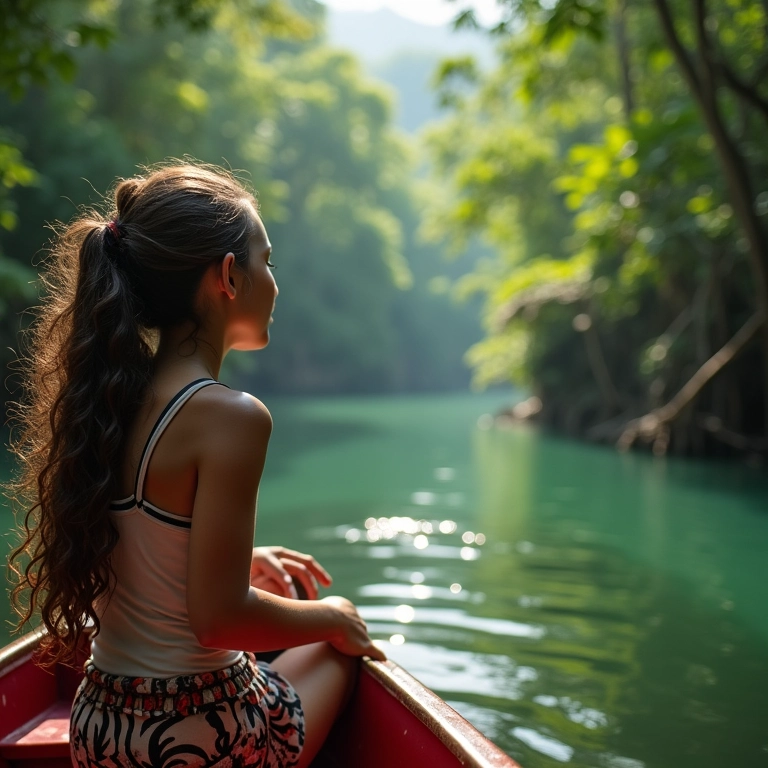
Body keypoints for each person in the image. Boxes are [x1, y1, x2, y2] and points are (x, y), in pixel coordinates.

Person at [6, 161, 386, 768]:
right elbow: (220, 619)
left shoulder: (105, 404)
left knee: (290, 610)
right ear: (228, 276)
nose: (275, 283)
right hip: (198, 733)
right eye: (268, 262)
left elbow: (140, 540)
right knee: (339, 649)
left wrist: (237, 561)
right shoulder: (232, 416)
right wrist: (333, 616)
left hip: (99, 726)